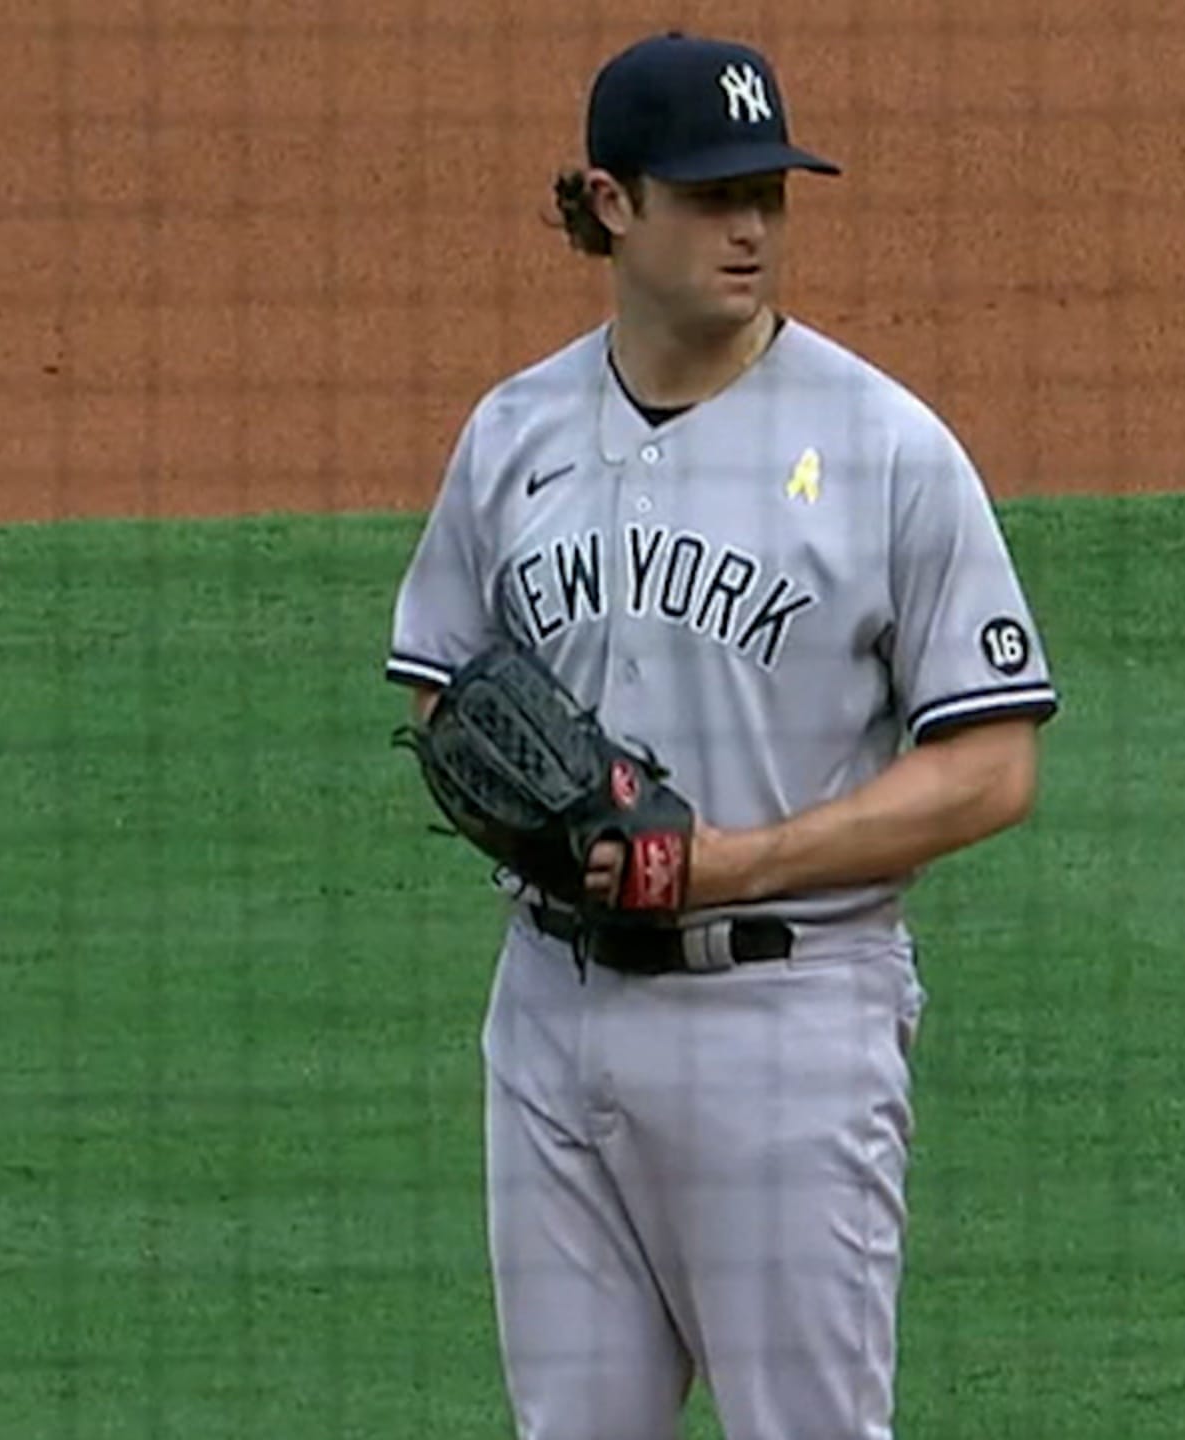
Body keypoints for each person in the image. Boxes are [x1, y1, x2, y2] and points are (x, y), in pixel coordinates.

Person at [382, 29, 1060, 1440]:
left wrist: (727, 863)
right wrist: (538, 825)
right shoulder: (516, 435)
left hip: (786, 1021)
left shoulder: (885, 446)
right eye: (709, 195)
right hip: (551, 1014)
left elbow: (993, 766)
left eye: (770, 191)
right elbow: (444, 694)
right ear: (611, 203)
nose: (751, 226)